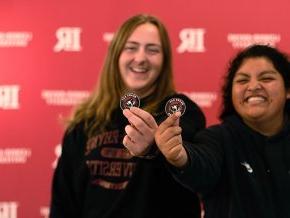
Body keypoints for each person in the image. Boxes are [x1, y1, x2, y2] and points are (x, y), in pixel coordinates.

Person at [49, 14, 206, 218]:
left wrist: (153, 147)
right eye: (131, 47)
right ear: (116, 55)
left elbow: (192, 164)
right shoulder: (85, 122)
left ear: (164, 60)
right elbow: (64, 202)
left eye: (152, 50)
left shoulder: (179, 111)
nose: (140, 58)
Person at [155, 44, 290, 218]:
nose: (253, 86)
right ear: (231, 93)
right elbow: (201, 164)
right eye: (242, 80)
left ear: (288, 90)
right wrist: (181, 157)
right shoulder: (218, 138)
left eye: (266, 78)